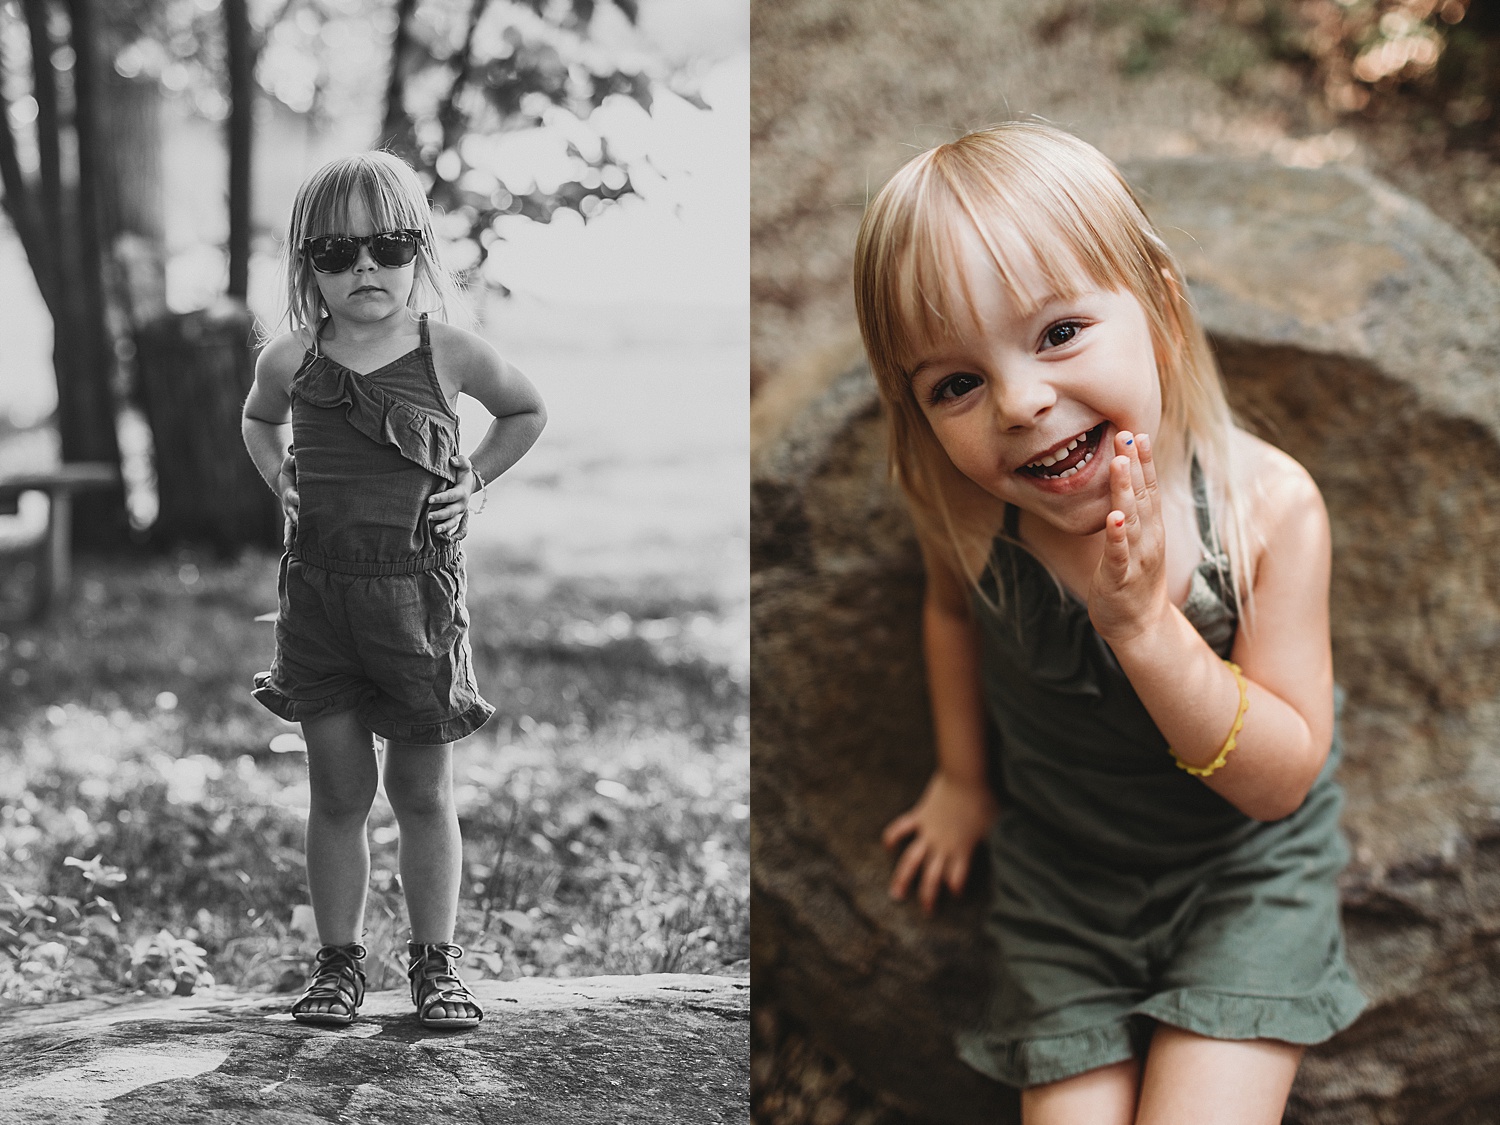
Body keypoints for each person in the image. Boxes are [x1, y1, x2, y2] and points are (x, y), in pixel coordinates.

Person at [852, 123, 1365, 1123]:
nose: (1020, 401)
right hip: (1063, 884)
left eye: (1058, 333)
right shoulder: (967, 511)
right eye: (956, 383)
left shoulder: (1267, 510)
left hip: (1241, 877)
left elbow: (1281, 780)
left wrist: (1145, 630)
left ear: (1161, 312)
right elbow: (951, 614)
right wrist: (963, 779)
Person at [242, 151, 545, 1030]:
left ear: (420, 252)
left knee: (420, 790)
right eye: (336, 254)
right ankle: (339, 963)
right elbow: (258, 423)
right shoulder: (292, 358)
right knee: (338, 792)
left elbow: (525, 410)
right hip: (321, 607)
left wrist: (474, 480)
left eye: (387, 244)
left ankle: (435, 961)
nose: (364, 267)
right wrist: (280, 480)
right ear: (309, 267)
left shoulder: (446, 350)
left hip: (416, 601)